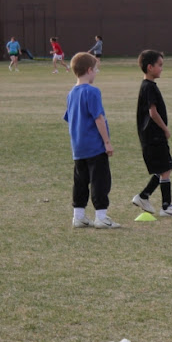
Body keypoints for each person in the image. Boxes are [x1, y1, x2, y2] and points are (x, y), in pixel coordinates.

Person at [64, 52, 120, 229]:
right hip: (95, 146)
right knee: (100, 180)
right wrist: (107, 142)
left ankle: (78, 216)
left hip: (78, 147)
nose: (96, 73)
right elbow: (98, 118)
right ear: (89, 70)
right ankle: (101, 217)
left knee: (80, 181)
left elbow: (69, 118)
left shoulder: (71, 94)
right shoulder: (92, 91)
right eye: (95, 70)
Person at [132, 50, 172, 217]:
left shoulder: (148, 86)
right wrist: (165, 129)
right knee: (166, 168)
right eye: (160, 65)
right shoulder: (149, 87)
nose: (162, 68)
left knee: (162, 167)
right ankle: (166, 206)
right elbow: (153, 112)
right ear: (150, 67)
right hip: (154, 135)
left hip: (151, 136)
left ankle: (144, 196)